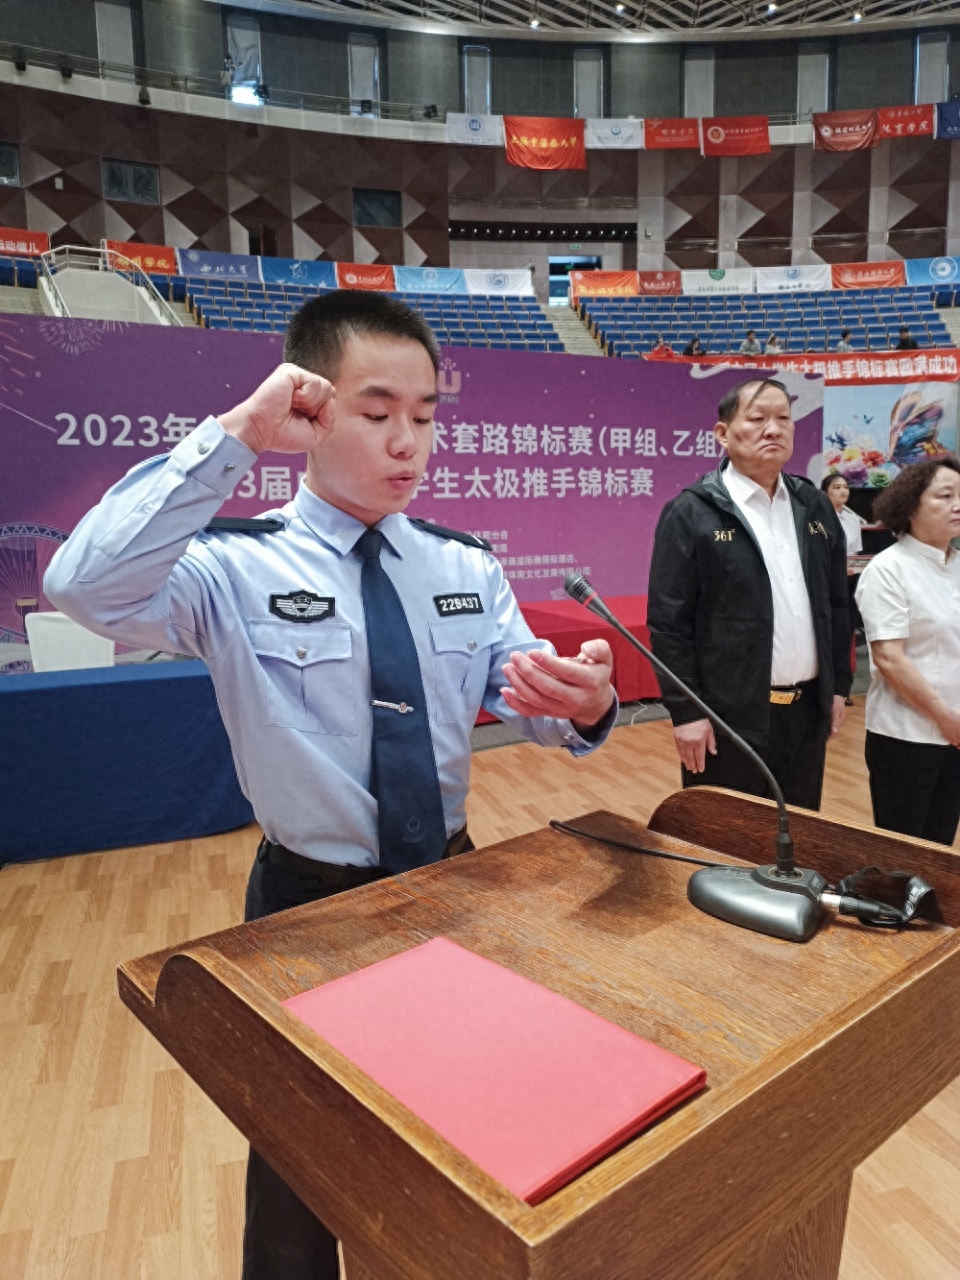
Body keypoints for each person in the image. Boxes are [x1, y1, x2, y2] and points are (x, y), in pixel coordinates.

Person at [43, 290, 617, 1280]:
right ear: (309, 410)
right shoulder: (231, 567)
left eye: (426, 415)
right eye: (377, 410)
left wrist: (584, 699)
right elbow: (82, 586)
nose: (408, 442)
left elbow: (532, 703)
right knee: (300, 1163)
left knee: (462, 1132)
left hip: (453, 886)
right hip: (310, 905)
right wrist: (235, 435)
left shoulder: (461, 564)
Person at [647, 377, 851, 809]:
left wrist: (838, 687)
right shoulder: (692, 512)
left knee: (799, 831)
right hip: (728, 721)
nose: (773, 429)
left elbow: (836, 604)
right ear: (723, 434)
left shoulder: (813, 505)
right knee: (726, 839)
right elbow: (669, 625)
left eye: (784, 418)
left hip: (807, 713)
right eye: (757, 419)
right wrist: (687, 712)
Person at [855, 457, 960, 845]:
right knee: (902, 852)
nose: (957, 505)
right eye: (945, 496)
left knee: (940, 845)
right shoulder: (888, 569)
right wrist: (946, 718)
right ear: (911, 506)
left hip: (956, 734)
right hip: (906, 735)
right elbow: (889, 658)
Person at [821, 472, 866, 704]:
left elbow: (855, 554)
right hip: (825, 581)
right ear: (825, 492)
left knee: (845, 631)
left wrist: (855, 567)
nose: (843, 491)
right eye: (837, 487)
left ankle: (842, 688)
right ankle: (824, 688)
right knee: (825, 632)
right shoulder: (818, 518)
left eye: (846, 487)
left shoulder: (852, 520)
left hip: (848, 582)